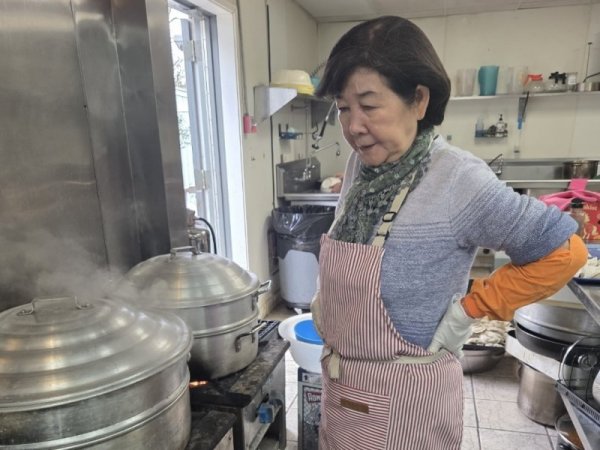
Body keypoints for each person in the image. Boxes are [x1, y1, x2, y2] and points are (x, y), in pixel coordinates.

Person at [310, 16, 588, 450]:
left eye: (369, 105)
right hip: (343, 388)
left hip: (408, 402)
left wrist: (472, 307)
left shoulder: (458, 179)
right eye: (344, 108)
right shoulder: (360, 167)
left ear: (419, 100)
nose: (354, 126)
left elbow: (565, 252)